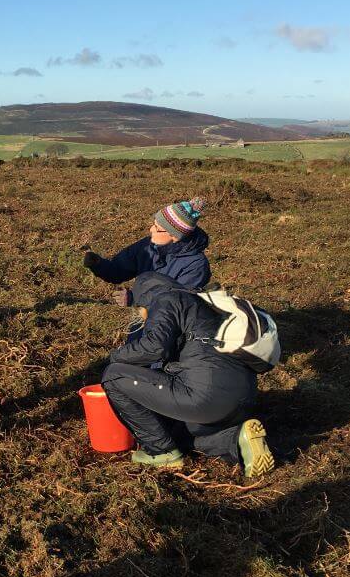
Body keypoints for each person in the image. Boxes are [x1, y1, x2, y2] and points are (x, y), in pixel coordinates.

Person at [100, 271, 275, 478]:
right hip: (242, 400)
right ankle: (237, 438)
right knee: (178, 434)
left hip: (206, 395)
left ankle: (161, 452)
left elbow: (154, 348)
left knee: (114, 375)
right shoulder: (204, 303)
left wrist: (116, 355)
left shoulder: (165, 299)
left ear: (143, 298)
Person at [82, 197, 210, 290]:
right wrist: (99, 264)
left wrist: (134, 298)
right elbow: (120, 270)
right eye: (154, 224)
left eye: (157, 228)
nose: (151, 230)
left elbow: (177, 306)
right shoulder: (146, 246)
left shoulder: (196, 266)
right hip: (147, 316)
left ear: (175, 236)